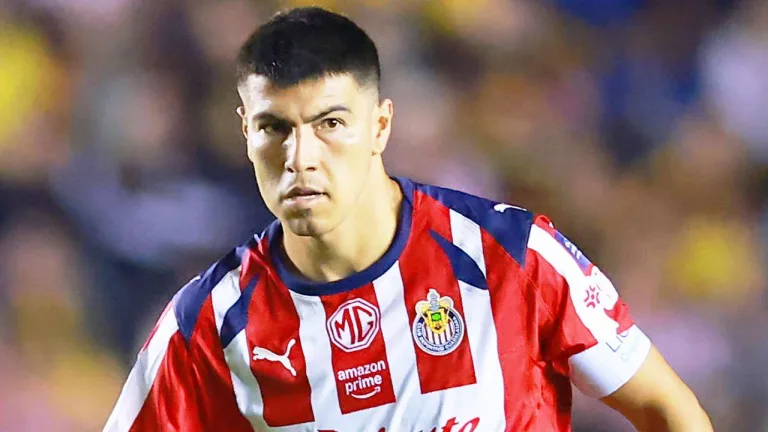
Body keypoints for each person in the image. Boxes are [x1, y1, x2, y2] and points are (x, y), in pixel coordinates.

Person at [104, 7, 713, 432]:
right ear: (245, 132)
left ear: (380, 126)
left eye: (330, 124)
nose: (300, 157)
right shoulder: (209, 324)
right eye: (274, 128)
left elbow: (667, 410)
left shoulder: (511, 256)